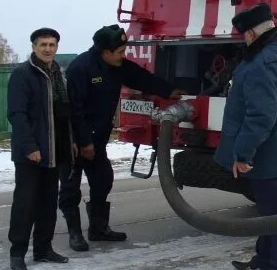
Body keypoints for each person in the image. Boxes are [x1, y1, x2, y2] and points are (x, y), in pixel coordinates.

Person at [59, 24, 184, 250]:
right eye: (119, 52)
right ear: (104, 51)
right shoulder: (80, 68)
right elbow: (75, 111)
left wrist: (167, 90)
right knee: (70, 188)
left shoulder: (117, 66)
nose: (122, 56)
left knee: (103, 179)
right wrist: (84, 141)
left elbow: (140, 77)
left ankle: (98, 229)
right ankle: (74, 233)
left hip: (97, 140)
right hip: (74, 141)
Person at [214, 3, 277, 270]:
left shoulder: (262, 64)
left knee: (276, 212)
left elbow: (261, 115)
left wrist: (243, 152)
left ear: (253, 34)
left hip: (268, 151)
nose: (244, 39)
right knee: (271, 208)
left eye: (244, 35)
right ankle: (266, 258)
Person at [7, 28, 73, 270]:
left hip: (54, 151)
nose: (47, 49)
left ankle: (43, 249)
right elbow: (17, 114)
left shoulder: (58, 75)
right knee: (25, 204)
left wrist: (70, 142)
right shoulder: (23, 75)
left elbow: (64, 113)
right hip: (31, 154)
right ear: (34, 47)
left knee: (47, 204)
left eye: (52, 44)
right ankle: (17, 253)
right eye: (43, 44)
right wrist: (29, 147)